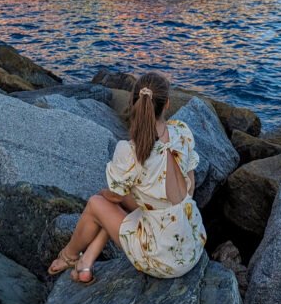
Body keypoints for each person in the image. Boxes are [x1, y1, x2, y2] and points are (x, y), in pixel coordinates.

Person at [47, 72, 206, 285]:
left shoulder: (131, 151)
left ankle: (69, 255)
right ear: (167, 104)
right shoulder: (182, 132)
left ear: (134, 103)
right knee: (133, 204)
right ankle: (86, 262)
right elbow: (190, 188)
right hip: (192, 243)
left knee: (97, 203)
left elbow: (113, 196)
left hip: (161, 259)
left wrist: (106, 194)